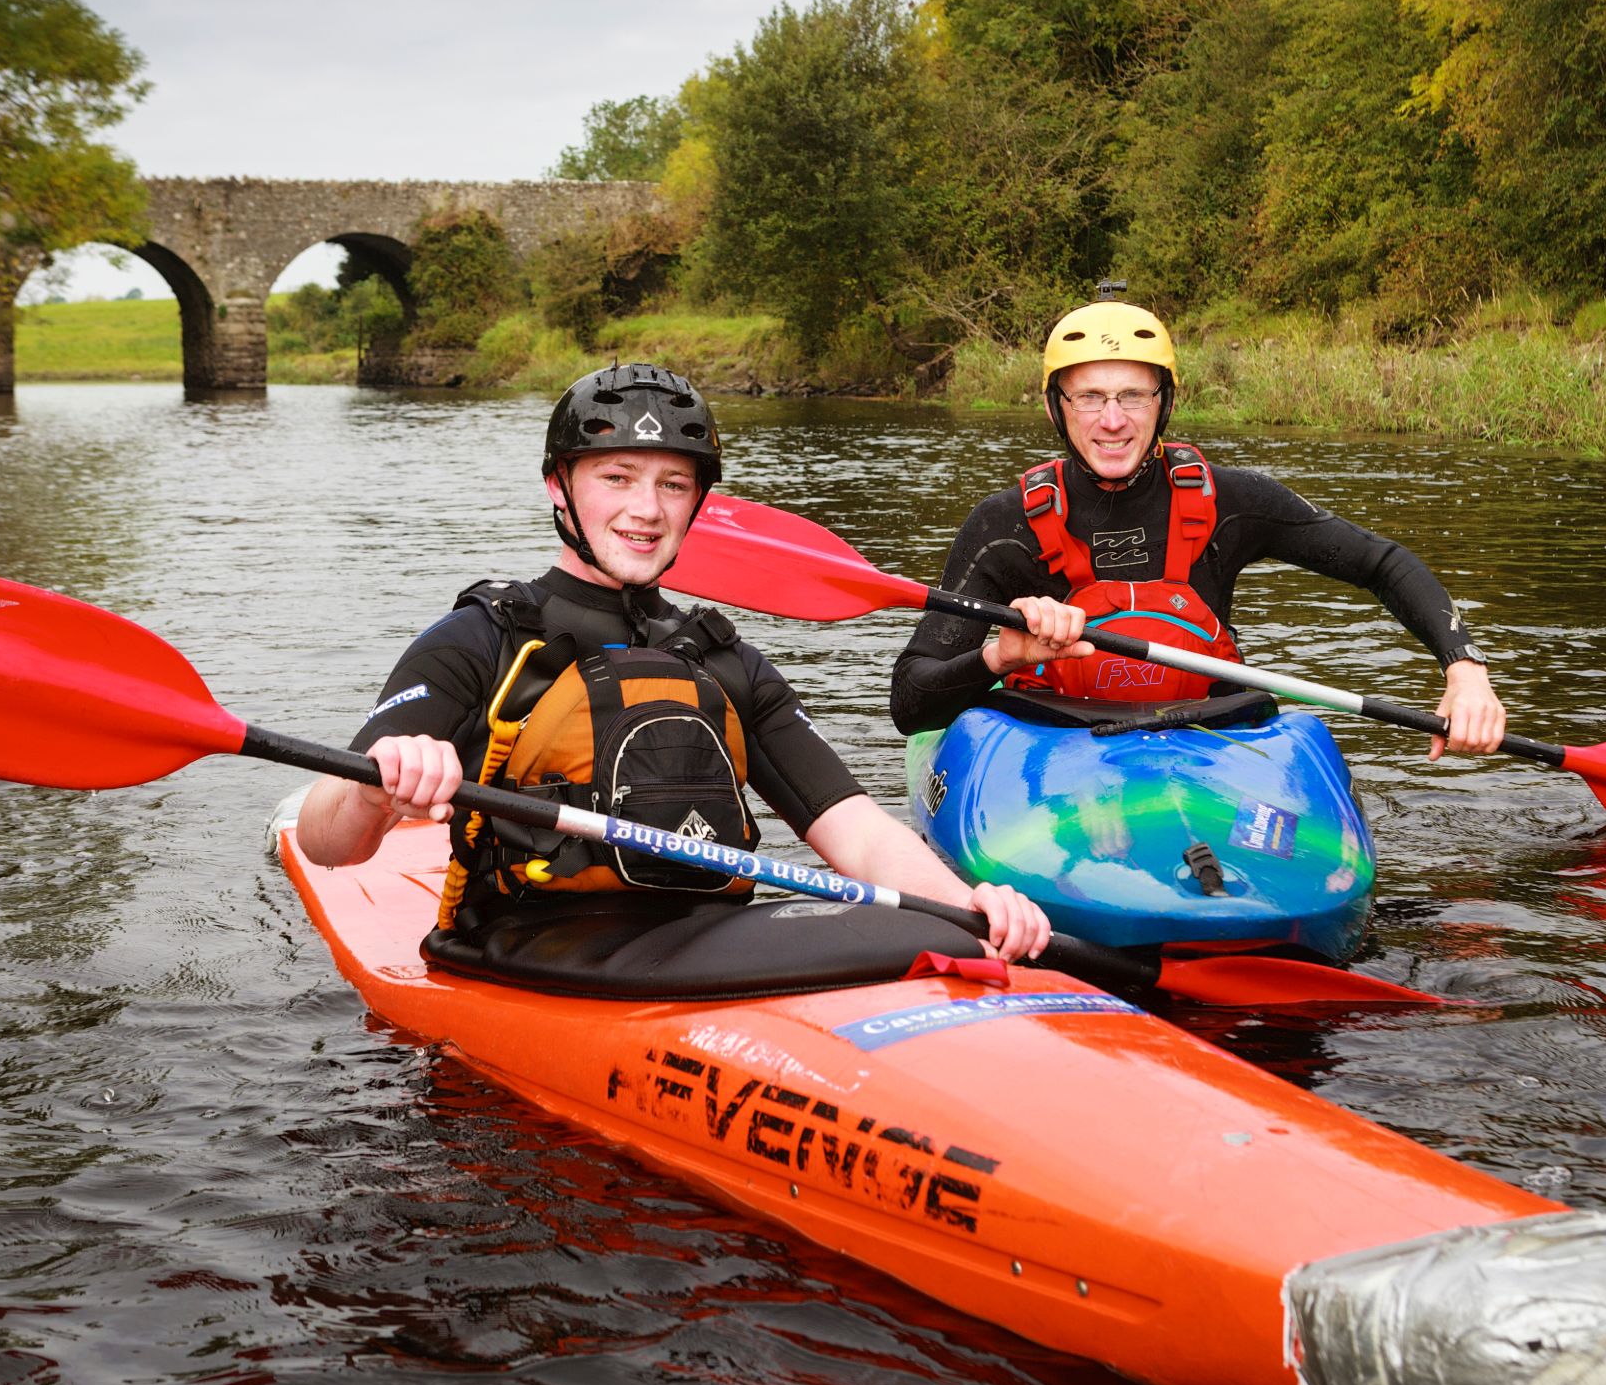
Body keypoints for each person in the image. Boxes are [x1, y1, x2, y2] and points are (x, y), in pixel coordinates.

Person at [297, 362, 1051, 962]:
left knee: (937, 931)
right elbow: (327, 842)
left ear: (698, 504)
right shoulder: (479, 640)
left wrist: (965, 903)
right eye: (616, 477)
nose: (646, 509)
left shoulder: (720, 657)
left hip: (711, 944)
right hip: (529, 951)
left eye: (673, 484)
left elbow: (852, 829)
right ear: (561, 486)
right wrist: (375, 791)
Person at [889, 299, 1508, 756]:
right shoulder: (1006, 527)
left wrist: (1466, 670)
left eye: (1134, 395)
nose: (1112, 420)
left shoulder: (1229, 502)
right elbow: (911, 702)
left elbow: (1382, 563)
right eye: (1090, 397)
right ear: (1057, 407)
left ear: (1164, 403)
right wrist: (1002, 654)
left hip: (1204, 743)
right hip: (1048, 745)